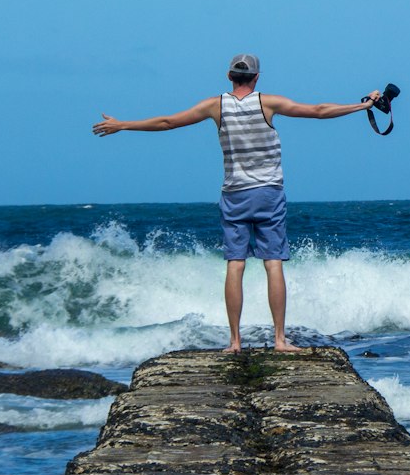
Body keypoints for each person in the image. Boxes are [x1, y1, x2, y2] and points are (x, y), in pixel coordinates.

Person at [92, 54, 380, 353]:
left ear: (229, 77)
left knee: (235, 263)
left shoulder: (215, 106)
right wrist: (362, 105)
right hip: (268, 192)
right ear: (256, 78)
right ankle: (280, 340)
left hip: (235, 194)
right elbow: (319, 111)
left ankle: (234, 341)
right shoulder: (268, 103)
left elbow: (168, 122)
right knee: (273, 262)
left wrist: (123, 124)